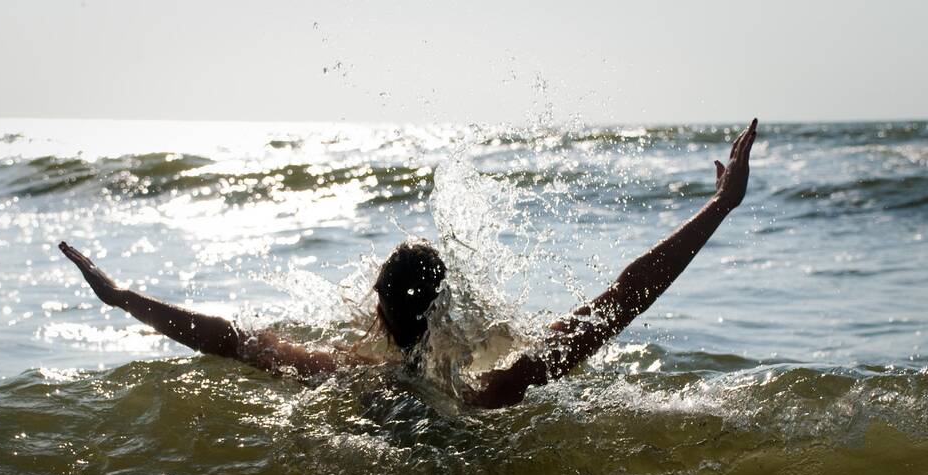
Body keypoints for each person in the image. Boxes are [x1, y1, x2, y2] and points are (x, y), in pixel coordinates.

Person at [59, 119, 758, 409]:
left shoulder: (348, 374)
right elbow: (623, 296)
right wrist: (719, 206)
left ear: (376, 308)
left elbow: (226, 337)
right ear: (449, 306)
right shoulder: (499, 384)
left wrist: (120, 297)